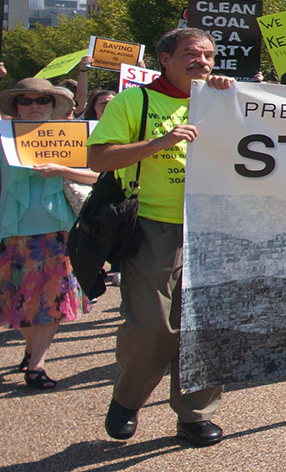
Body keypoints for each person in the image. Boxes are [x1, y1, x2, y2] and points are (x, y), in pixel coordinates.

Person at [86, 28, 235, 446]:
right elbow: (98, 157)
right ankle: (128, 399)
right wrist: (160, 143)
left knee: (208, 324)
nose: (202, 62)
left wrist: (236, 95)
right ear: (165, 58)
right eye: (191, 54)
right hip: (153, 224)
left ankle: (195, 415)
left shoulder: (227, 99)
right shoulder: (136, 100)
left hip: (215, 225)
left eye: (208, 56)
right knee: (153, 326)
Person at [2, 78, 99, 390]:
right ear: (16, 107)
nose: (33, 106)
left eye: (40, 100)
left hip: (58, 229)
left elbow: (98, 174)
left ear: (52, 104)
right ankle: (31, 348)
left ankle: (37, 364)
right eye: (25, 101)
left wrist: (60, 169)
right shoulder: (4, 137)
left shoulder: (70, 136)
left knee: (51, 300)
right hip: (9, 230)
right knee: (19, 301)